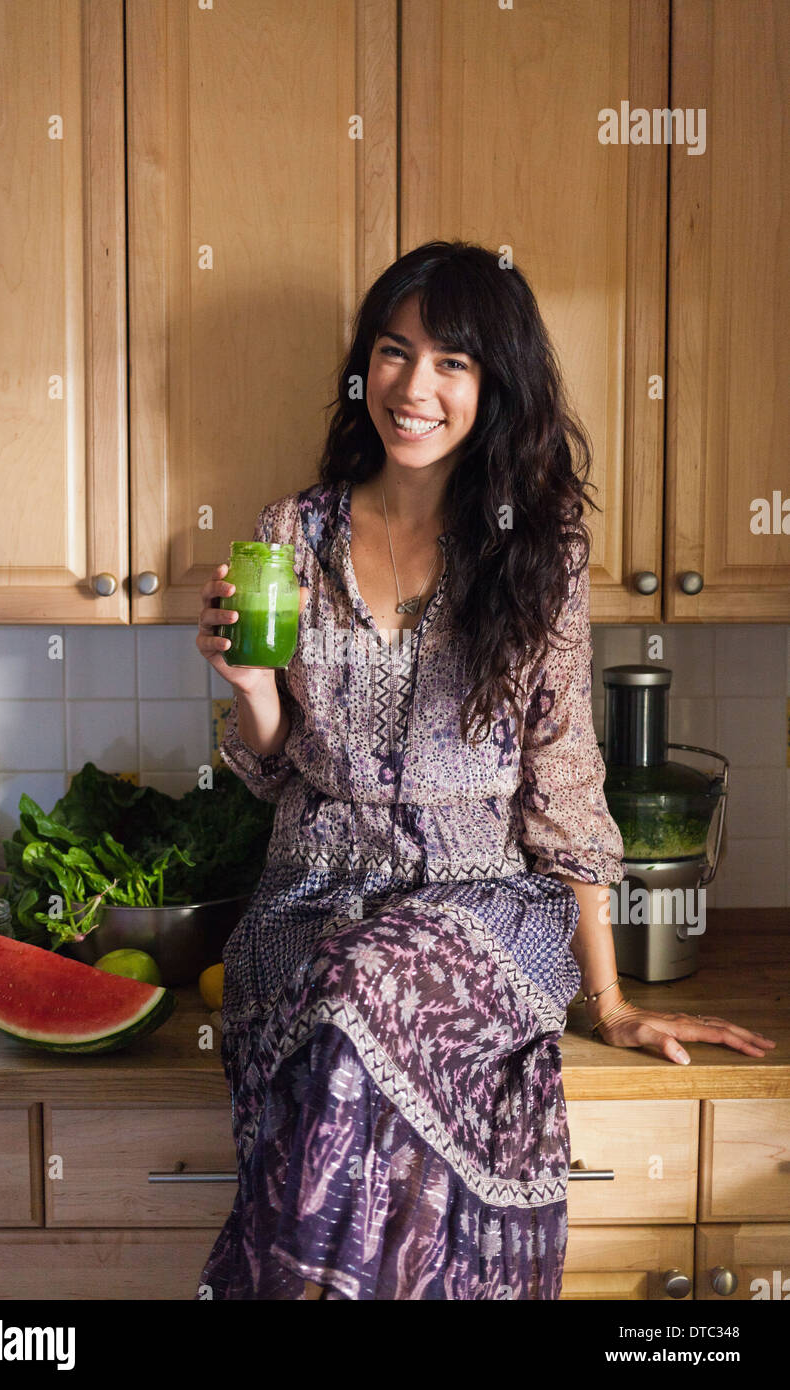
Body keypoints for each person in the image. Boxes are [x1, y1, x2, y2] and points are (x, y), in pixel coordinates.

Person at [194, 240, 775, 1301]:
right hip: (310, 898)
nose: (414, 387)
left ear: (492, 382)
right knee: (337, 1009)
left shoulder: (533, 549)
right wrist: (251, 686)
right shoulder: (291, 533)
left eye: (452, 361)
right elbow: (279, 771)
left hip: (480, 904)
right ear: (361, 367)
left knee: (361, 996)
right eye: (392, 351)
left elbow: (561, 775)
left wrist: (606, 999)